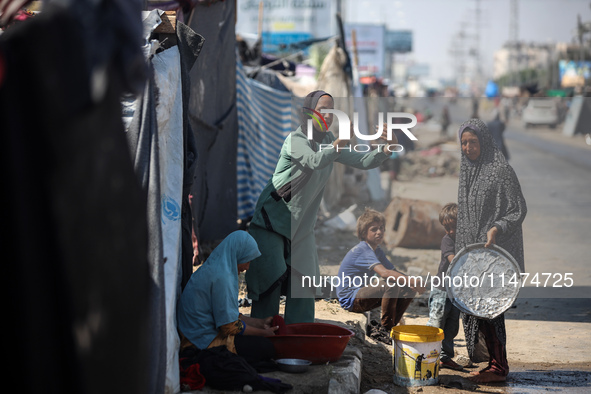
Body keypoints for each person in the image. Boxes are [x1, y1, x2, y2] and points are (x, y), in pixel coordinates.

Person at [245, 90, 398, 324]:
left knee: (305, 282)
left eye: (332, 110)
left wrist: (386, 149)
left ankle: (298, 339)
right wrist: (337, 146)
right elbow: (314, 160)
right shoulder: (295, 140)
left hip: (302, 228)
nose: (329, 115)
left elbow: (363, 161)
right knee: (269, 280)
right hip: (272, 222)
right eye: (323, 109)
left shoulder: (328, 141)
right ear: (309, 112)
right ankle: (262, 340)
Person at [456, 118, 527, 383]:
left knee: (492, 309)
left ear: (484, 142)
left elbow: (518, 209)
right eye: (463, 143)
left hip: (495, 255)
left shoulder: (501, 171)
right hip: (473, 255)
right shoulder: (467, 170)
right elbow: (466, 215)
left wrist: (497, 228)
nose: (468, 148)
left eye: (473, 142)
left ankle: (499, 366)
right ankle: (490, 362)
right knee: (477, 307)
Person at [177, 231, 278, 364]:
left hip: (197, 333)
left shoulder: (216, 268)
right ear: (238, 254)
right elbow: (229, 326)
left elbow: (230, 316)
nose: (247, 267)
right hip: (198, 341)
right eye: (247, 260)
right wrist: (263, 333)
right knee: (266, 348)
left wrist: (260, 323)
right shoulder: (222, 277)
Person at [336, 208, 425, 338]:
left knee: (407, 287)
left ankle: (392, 325)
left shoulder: (377, 251)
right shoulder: (363, 249)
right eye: (374, 229)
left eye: (381, 228)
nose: (379, 232)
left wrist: (412, 282)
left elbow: (393, 272)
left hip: (362, 294)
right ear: (363, 233)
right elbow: (384, 273)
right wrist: (411, 280)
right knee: (390, 284)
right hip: (351, 299)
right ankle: (385, 330)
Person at [426, 203, 463, 371]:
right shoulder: (447, 240)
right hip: (441, 290)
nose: (451, 231)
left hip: (454, 292)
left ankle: (444, 357)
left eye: (454, 226)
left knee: (452, 325)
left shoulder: (463, 240)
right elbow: (452, 260)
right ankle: (428, 354)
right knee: (437, 323)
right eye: (447, 227)